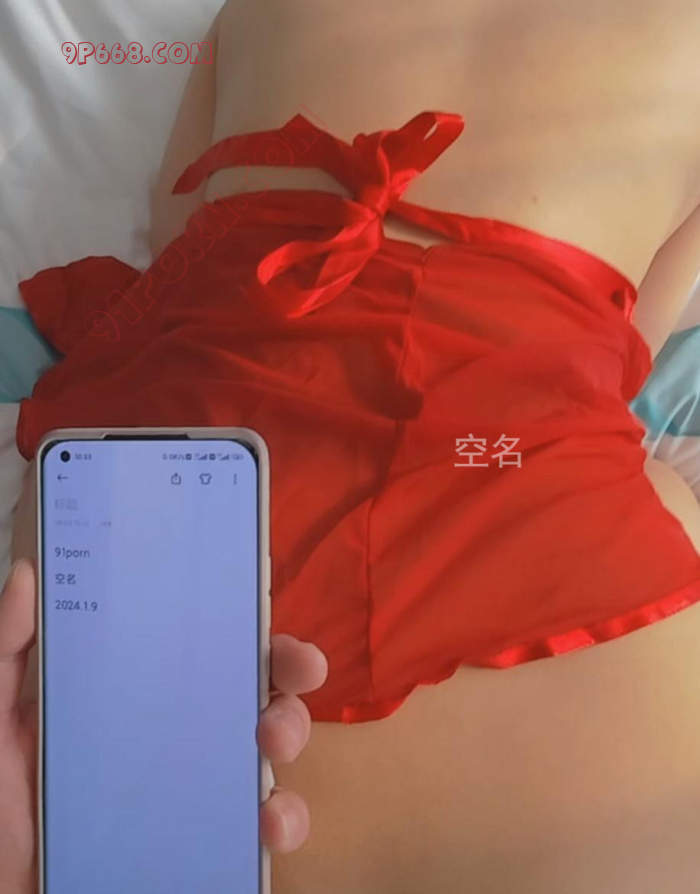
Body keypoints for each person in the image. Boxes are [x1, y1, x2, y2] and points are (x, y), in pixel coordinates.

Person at [8, 0, 700, 891]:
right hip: (523, 500)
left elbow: (175, 226)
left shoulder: (254, 9)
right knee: (648, 490)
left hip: (208, 467)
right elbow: (626, 352)